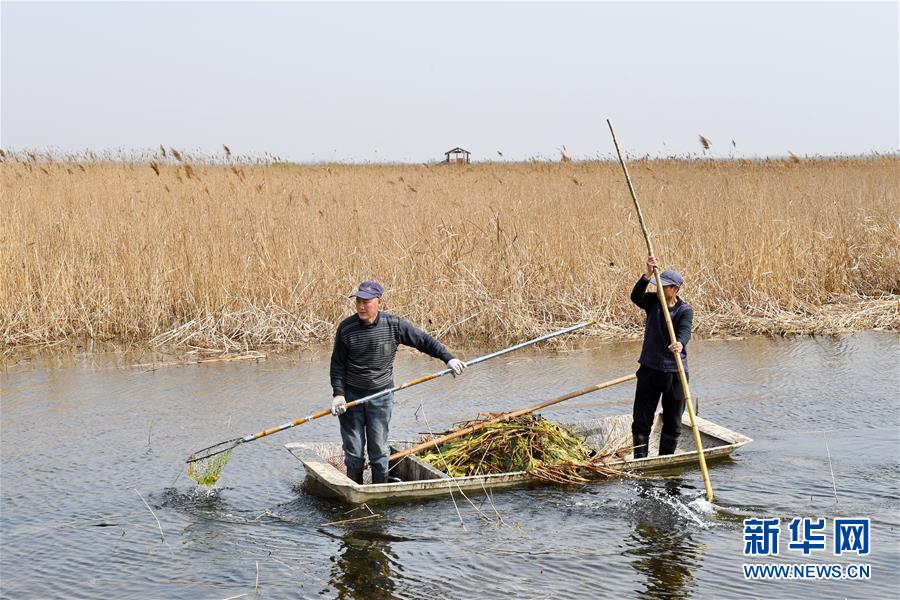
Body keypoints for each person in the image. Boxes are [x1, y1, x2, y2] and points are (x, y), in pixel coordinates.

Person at [329, 280, 466, 484]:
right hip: (352, 397)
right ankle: (355, 487)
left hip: (381, 396)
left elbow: (423, 341)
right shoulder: (346, 328)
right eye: (358, 301)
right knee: (354, 450)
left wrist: (448, 358)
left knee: (378, 448)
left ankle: (380, 489)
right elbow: (337, 364)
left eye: (366, 301)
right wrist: (338, 394)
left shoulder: (394, 325)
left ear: (379, 302)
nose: (361, 306)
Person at [629, 256, 693, 458]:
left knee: (673, 422)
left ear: (675, 288)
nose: (659, 290)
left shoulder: (684, 310)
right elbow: (635, 296)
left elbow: (685, 331)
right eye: (658, 285)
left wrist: (680, 343)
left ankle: (665, 460)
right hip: (649, 370)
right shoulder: (651, 302)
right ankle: (641, 461)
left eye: (664, 287)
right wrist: (647, 275)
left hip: (675, 373)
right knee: (641, 421)